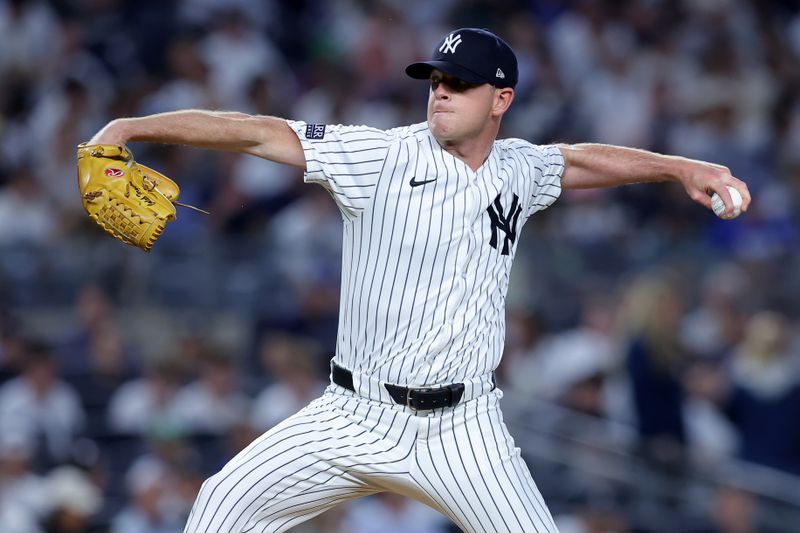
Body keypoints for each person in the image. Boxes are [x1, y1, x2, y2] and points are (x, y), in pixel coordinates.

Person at [88, 28, 751, 533]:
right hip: (354, 412)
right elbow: (256, 132)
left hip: (463, 427)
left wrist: (679, 167)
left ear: (501, 100)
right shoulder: (378, 155)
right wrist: (133, 126)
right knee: (221, 504)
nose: (440, 89)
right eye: (436, 78)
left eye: (459, 83)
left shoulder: (518, 168)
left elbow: (580, 160)